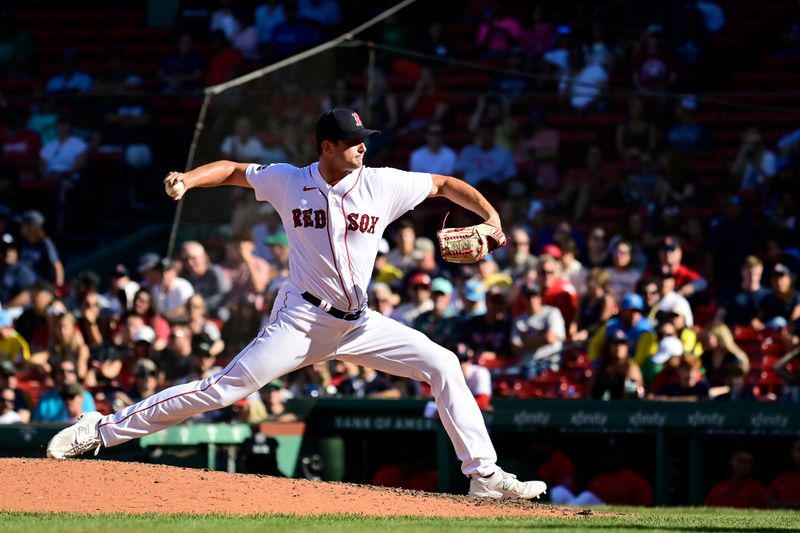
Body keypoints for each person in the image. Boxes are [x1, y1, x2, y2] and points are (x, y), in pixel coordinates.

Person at [47, 107, 547, 500]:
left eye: (364, 140)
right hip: (301, 320)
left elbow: (443, 184)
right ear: (326, 146)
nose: (362, 148)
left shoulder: (382, 183)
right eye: (353, 142)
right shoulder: (289, 180)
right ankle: (100, 429)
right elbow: (233, 171)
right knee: (222, 390)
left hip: (360, 323)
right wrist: (189, 178)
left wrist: (490, 216)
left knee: (444, 364)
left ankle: (484, 475)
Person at [511, 284, 565, 376]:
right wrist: (541, 338)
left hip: (549, 362)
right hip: (527, 364)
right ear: (523, 299)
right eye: (528, 297)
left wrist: (525, 343)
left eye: (535, 296)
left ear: (540, 298)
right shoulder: (519, 320)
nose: (532, 300)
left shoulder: (552, 313)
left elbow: (549, 339)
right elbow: (515, 348)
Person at [705, 448, 769, 509]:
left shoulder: (758, 490)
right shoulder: (718, 489)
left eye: (749, 462)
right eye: (741, 461)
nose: (745, 466)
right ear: (731, 461)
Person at [17, 210, 63, 288]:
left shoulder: (46, 243)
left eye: (23, 224)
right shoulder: (23, 243)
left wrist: (58, 287)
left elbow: (57, 266)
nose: (21, 227)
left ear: (32, 226)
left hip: (38, 287)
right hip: (23, 284)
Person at [768, 439, 800, 508]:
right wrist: (788, 504)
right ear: (792, 454)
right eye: (799, 449)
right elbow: (766, 503)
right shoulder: (781, 479)